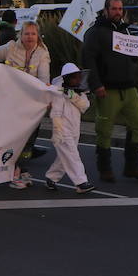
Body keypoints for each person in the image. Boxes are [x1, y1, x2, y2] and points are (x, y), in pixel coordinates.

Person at [81, 0, 138, 182]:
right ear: (105, 10)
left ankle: (132, 167)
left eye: (120, 9)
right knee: (104, 130)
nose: (118, 12)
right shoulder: (95, 32)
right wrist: (96, 85)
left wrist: (137, 50)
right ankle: (105, 169)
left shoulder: (126, 30)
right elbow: (88, 60)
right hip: (108, 88)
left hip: (128, 87)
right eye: (114, 9)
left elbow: (133, 58)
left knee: (137, 125)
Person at [0, 20, 52, 177]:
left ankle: (22, 169)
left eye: (33, 33)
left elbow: (44, 78)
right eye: (26, 33)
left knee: (28, 140)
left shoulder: (43, 53)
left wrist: (47, 97)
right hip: (10, 101)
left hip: (32, 103)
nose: (30, 37)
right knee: (10, 137)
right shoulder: (11, 47)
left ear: (38, 36)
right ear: (21, 35)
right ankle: (2, 166)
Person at [43, 62, 96, 193]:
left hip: (74, 129)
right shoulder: (58, 93)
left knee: (64, 157)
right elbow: (56, 113)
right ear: (67, 78)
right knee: (72, 156)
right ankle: (81, 182)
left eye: (79, 77)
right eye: (75, 77)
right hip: (62, 131)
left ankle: (51, 178)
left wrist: (72, 95)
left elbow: (85, 106)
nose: (78, 80)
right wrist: (58, 131)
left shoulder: (79, 92)